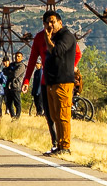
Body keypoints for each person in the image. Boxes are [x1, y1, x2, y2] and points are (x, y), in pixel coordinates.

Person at [26, 11, 79, 156]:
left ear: (60, 22)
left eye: (53, 21)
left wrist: (48, 38)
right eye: (47, 22)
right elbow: (33, 60)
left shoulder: (66, 36)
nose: (50, 25)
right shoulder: (51, 37)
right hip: (51, 82)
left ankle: (65, 146)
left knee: (63, 115)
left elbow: (56, 51)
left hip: (63, 82)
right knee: (55, 116)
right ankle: (59, 145)